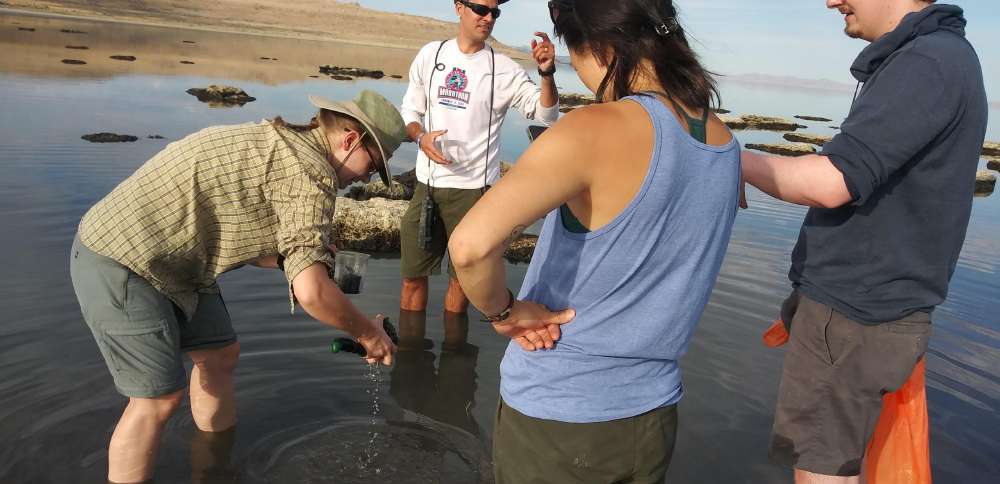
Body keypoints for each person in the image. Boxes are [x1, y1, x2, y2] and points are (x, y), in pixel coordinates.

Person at [448, 0, 742, 481]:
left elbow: (470, 247)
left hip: (558, 417)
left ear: (602, 47)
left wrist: (505, 313)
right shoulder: (724, 143)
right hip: (653, 417)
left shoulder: (594, 127)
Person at [69, 90, 406, 483]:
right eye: (372, 165)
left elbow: (241, 223)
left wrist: (293, 258)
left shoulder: (287, 142)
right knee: (157, 400)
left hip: (182, 260)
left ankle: (214, 468)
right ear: (349, 140)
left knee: (220, 356)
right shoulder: (310, 172)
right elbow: (311, 292)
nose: (366, 178)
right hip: (121, 256)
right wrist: (368, 335)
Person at [741, 1, 987, 482]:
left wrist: (729, 159)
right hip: (868, 312)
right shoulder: (938, 55)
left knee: (822, 468)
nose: (831, 1)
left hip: (854, 315)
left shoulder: (928, 60)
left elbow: (833, 182)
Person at [398, 0, 560, 318]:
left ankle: (453, 347)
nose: (488, 17)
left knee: (462, 284)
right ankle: (410, 348)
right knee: (411, 279)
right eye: (480, 9)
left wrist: (546, 73)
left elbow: (547, 115)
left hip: (474, 191)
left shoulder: (504, 69)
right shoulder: (431, 54)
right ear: (459, 7)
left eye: (494, 12)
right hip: (427, 187)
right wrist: (419, 137)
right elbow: (410, 110)